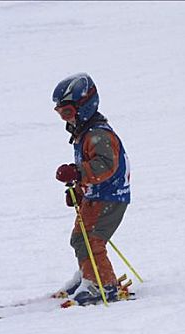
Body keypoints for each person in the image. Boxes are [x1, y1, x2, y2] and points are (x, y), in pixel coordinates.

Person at [52, 73, 131, 305]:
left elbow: (106, 165)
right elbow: (92, 168)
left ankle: (102, 284)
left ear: (85, 106)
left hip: (110, 195)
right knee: (80, 238)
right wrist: (79, 188)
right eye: (60, 113)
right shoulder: (84, 133)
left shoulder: (98, 134)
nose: (64, 118)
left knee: (92, 239)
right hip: (97, 193)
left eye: (67, 112)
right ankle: (88, 275)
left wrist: (78, 173)